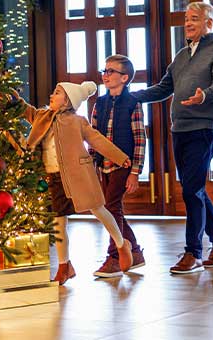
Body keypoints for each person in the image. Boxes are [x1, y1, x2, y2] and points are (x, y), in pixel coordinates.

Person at [132, 1, 213, 274]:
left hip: (205, 128)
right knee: (194, 188)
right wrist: (132, 97)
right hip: (180, 129)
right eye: (186, 19)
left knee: (191, 190)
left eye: (194, 19)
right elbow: (164, 88)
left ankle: (194, 253)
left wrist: (204, 95)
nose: (187, 23)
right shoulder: (181, 55)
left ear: (209, 23)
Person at [20, 81, 134, 285]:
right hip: (53, 177)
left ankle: (121, 243)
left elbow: (97, 140)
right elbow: (23, 108)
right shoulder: (42, 117)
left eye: (57, 93)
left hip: (78, 174)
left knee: (98, 209)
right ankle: (65, 265)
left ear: (68, 101)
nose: (51, 96)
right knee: (58, 221)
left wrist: (119, 157)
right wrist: (9, 96)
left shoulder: (77, 121)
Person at [89, 54, 147, 278]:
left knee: (111, 207)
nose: (105, 75)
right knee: (113, 209)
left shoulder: (132, 103)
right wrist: (92, 162)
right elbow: (93, 136)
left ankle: (114, 257)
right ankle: (133, 251)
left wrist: (135, 172)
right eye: (104, 71)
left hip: (122, 165)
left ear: (124, 78)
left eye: (111, 71)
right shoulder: (99, 104)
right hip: (103, 165)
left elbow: (140, 138)